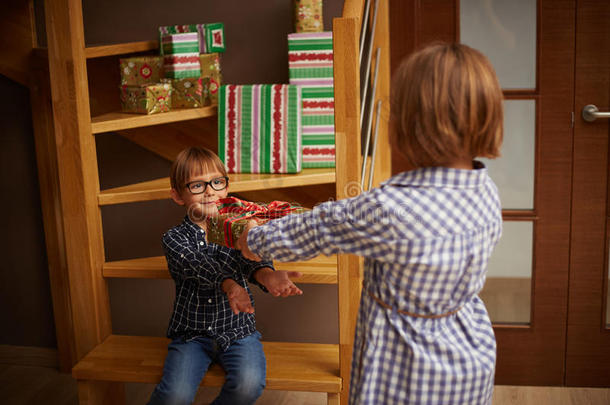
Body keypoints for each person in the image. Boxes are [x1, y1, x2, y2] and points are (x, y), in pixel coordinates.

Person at [236, 42, 504, 405]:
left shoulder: (393, 207)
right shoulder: (484, 190)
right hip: (468, 358)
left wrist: (256, 237)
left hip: (406, 370)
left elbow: (320, 227)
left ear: (410, 124)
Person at [148, 146, 303, 405]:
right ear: (177, 195)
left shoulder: (240, 228)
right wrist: (229, 285)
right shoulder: (174, 238)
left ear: (226, 188)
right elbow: (196, 264)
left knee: (248, 385)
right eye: (197, 185)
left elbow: (253, 263)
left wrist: (268, 276)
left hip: (238, 330)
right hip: (192, 335)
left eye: (217, 182)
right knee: (174, 396)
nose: (210, 191)